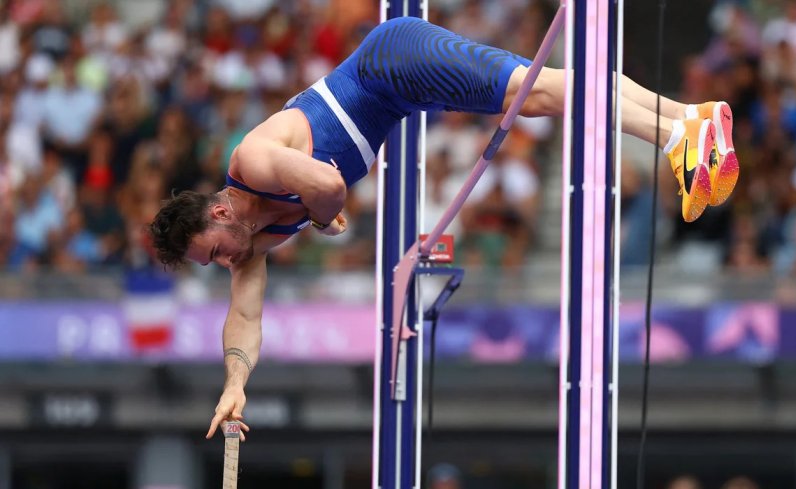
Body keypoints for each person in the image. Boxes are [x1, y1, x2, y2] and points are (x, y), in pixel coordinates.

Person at [145, 16, 739, 440]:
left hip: (390, 60)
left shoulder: (252, 162)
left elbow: (327, 188)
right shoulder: (252, 242)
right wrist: (235, 382)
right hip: (400, 93)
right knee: (541, 93)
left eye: (216, 251)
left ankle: (677, 137)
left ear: (220, 213)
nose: (226, 262)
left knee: (531, 95)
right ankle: (690, 119)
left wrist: (325, 220)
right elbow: (245, 317)